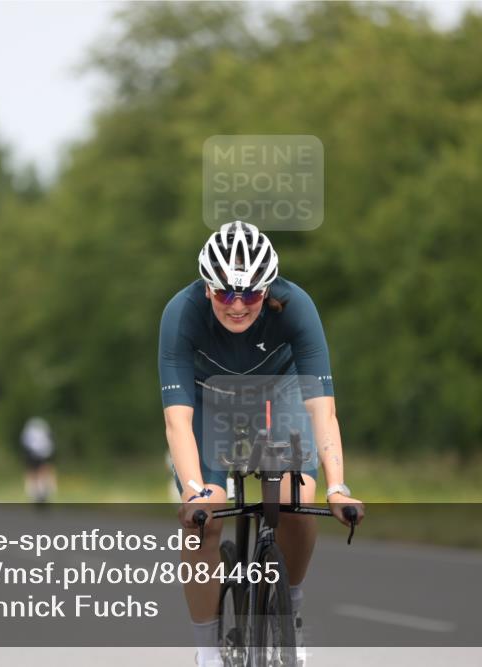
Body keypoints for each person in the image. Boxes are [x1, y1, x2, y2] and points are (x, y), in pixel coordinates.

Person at [158, 221, 365, 666]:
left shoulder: (296, 306)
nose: (236, 306)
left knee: (297, 497)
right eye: (224, 294)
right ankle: (207, 653)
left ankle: (288, 609)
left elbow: (321, 409)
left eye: (250, 295)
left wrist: (338, 486)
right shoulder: (181, 312)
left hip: (279, 395)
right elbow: (178, 421)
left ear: (268, 289)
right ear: (207, 288)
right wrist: (195, 489)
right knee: (203, 522)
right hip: (207, 400)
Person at [20, 417, 56, 504]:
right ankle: (41, 490)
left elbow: (24, 442)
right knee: (42, 471)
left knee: (33, 472)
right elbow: (50, 442)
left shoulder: (30, 430)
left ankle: (35, 492)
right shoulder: (43, 428)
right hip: (43, 453)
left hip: (32, 453)